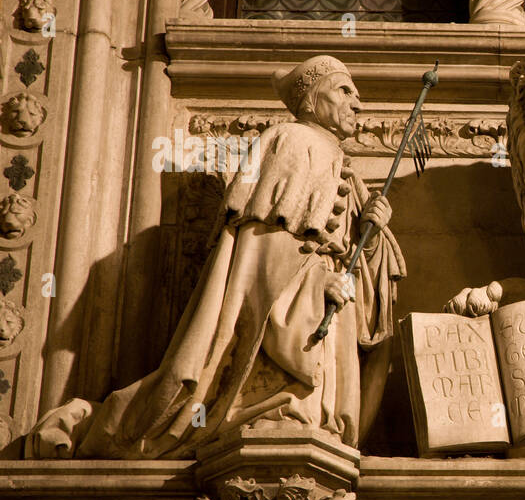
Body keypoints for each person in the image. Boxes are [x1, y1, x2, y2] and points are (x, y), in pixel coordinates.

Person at [27, 56, 405, 458]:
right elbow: (262, 247)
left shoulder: (341, 165)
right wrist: (315, 286)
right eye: (344, 90)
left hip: (325, 308)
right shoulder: (294, 142)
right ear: (310, 101)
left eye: (357, 94)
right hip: (296, 307)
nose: (358, 103)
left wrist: (374, 234)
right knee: (270, 411)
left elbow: (357, 272)